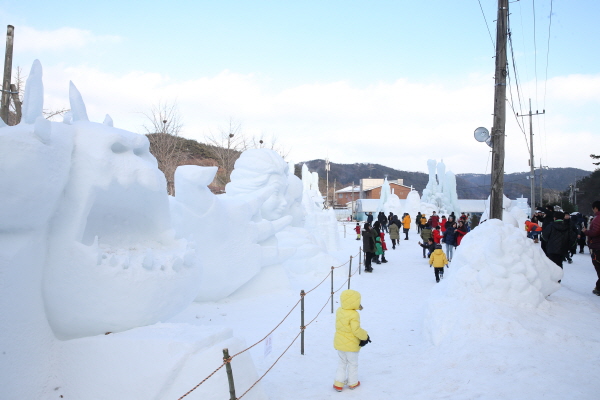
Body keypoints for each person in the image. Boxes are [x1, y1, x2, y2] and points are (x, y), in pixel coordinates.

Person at [333, 289, 369, 392]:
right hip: (351, 345)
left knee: (342, 362)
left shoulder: (339, 311)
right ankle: (353, 382)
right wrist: (365, 336)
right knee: (352, 364)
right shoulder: (354, 314)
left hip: (340, 342)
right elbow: (356, 330)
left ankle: (338, 383)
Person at [581, 201, 600, 296]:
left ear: (596, 208)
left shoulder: (597, 219)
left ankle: (599, 288)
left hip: (597, 246)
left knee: (598, 267)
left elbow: (595, 232)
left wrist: (586, 232)